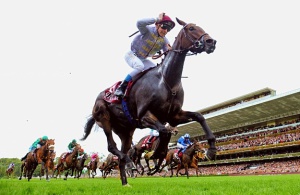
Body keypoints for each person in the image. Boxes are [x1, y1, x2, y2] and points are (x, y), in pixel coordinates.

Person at [114, 12, 175, 98]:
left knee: (157, 71)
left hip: (143, 59)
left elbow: (168, 55)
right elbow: (139, 22)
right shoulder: (148, 30)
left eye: (168, 29)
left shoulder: (164, 41)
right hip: (132, 55)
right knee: (139, 66)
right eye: (164, 27)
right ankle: (121, 87)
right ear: (157, 25)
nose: (165, 31)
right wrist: (157, 19)